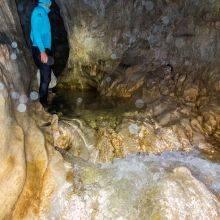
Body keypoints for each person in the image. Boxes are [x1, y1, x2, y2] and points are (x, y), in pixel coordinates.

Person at [30, 0, 53, 108]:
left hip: (43, 49)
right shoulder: (38, 11)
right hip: (41, 50)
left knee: (46, 77)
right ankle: (42, 105)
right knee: (46, 78)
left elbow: (32, 34)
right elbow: (35, 32)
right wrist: (42, 51)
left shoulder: (43, 12)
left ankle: (42, 101)